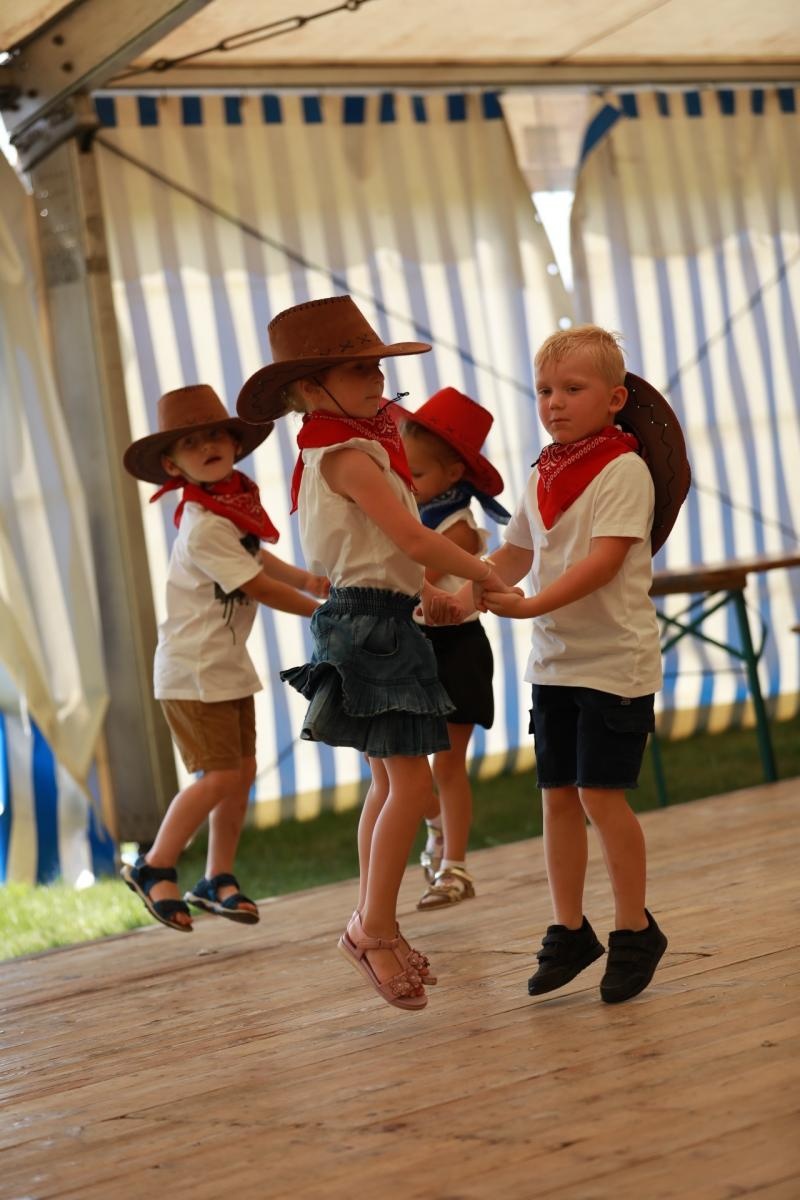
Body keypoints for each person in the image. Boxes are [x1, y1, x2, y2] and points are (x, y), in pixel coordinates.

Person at [236, 295, 512, 1011]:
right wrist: (480, 574)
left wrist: (431, 594)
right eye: (359, 370)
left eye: (376, 368)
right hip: (367, 623)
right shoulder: (346, 455)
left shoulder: (357, 448)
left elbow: (391, 553)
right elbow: (414, 535)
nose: (376, 381)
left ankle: (375, 925)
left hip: (382, 614)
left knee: (392, 788)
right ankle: (370, 927)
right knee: (412, 787)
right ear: (307, 388)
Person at [450, 325, 689, 1004]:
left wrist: (526, 610)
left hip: (614, 662)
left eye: (573, 389)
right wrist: (461, 592)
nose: (554, 403)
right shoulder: (539, 472)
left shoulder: (624, 470)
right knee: (556, 795)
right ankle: (568, 927)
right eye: (545, 390)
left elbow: (603, 562)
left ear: (615, 398)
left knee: (600, 796)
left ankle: (635, 928)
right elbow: (515, 554)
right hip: (554, 663)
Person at [121, 384, 327, 933]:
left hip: (223, 668)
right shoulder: (204, 524)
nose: (208, 445)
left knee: (240, 775)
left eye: (216, 434)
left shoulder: (230, 506)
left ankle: (217, 877)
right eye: (191, 442)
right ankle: (153, 863)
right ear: (172, 465)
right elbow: (256, 585)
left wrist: (307, 578)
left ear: (234, 445)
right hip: (192, 672)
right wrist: (318, 610)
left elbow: (257, 556)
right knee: (216, 778)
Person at [394, 387, 511, 910]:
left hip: (452, 650)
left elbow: (409, 576)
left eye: (415, 475)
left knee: (446, 765)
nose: (404, 483)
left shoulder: (457, 531)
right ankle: (437, 828)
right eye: (400, 472)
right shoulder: (403, 516)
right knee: (407, 769)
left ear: (453, 476)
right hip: (411, 648)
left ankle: (455, 864)